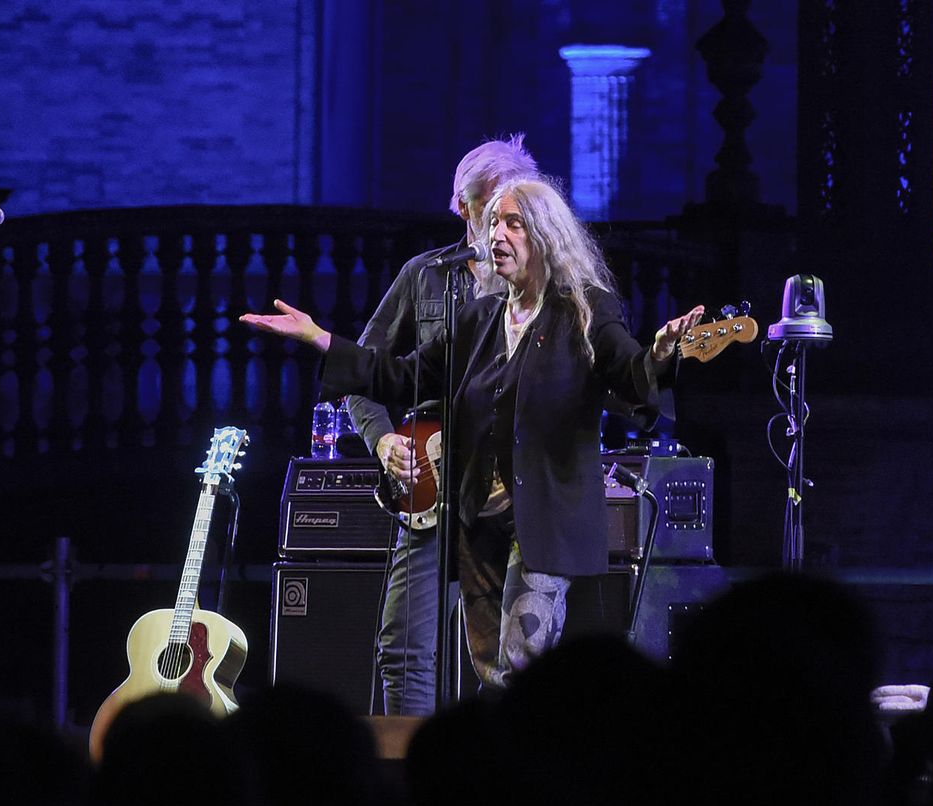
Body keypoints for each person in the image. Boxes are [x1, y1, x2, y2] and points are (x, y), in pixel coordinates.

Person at [245, 177, 703, 688]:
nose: (497, 236)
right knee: (491, 673)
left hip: (543, 521)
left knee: (522, 664)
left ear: (546, 236)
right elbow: (400, 376)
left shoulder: (584, 310)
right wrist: (320, 337)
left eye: (514, 224)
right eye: (492, 225)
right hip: (478, 521)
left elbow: (628, 371)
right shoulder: (479, 319)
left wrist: (662, 352)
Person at [347, 136, 539, 716]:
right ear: (464, 205)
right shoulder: (426, 276)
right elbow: (365, 371)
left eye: (516, 205)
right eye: (488, 203)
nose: (500, 219)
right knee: (403, 645)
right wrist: (382, 439)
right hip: (434, 487)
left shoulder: (547, 283)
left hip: (514, 494)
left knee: (512, 660)